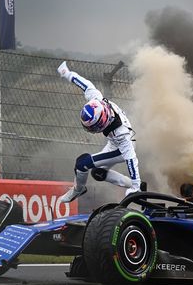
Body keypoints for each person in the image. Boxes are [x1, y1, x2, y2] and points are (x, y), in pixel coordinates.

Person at [56, 61, 141, 202]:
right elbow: (85, 84)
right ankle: (136, 185)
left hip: (122, 147)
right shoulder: (97, 99)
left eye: (93, 127)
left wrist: (135, 187)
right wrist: (67, 73)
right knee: (98, 173)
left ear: (102, 122)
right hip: (116, 143)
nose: (91, 130)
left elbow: (131, 159)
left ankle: (79, 189)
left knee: (81, 163)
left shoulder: (120, 132)